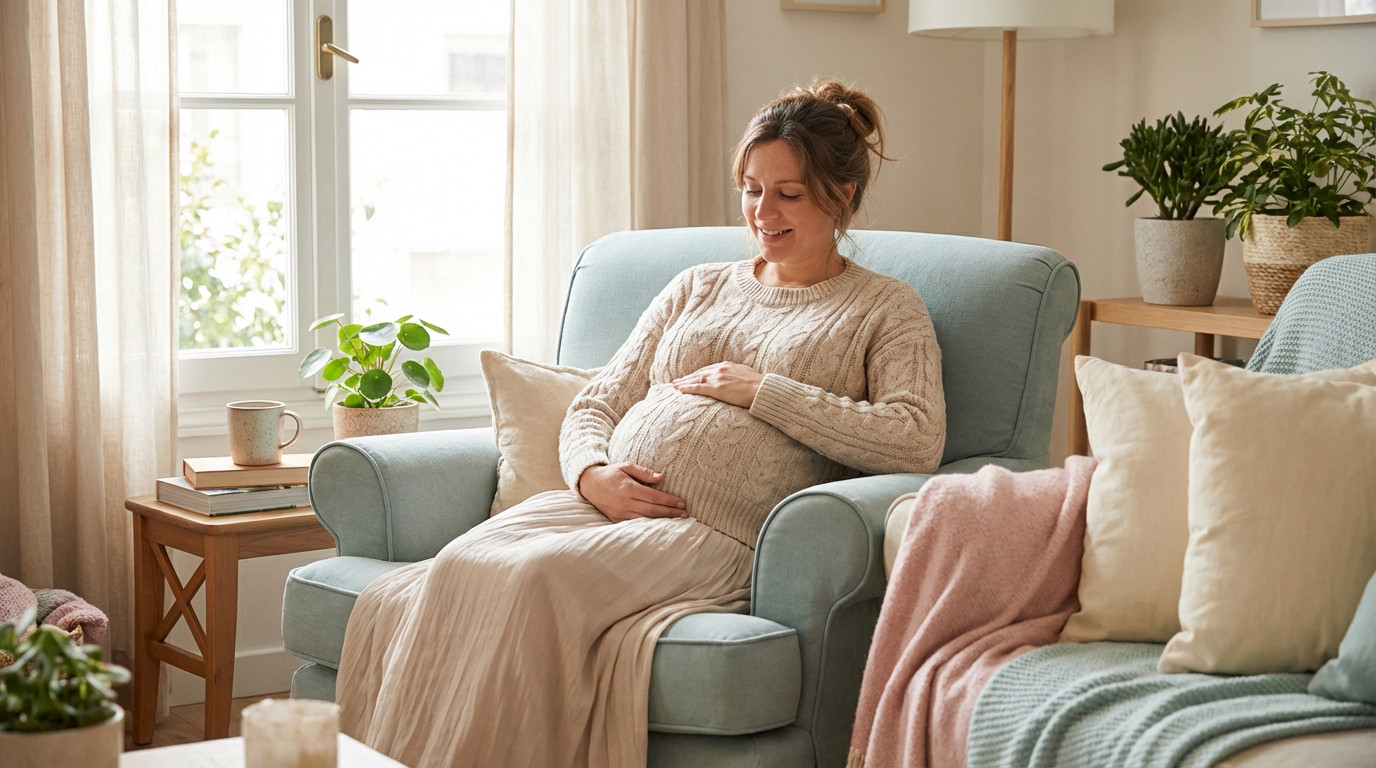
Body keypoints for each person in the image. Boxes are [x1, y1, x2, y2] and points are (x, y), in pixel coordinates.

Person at [336, 79, 947, 768]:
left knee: (529, 582)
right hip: (599, 509)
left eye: (788, 193)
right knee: (455, 565)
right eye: (751, 188)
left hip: (708, 532)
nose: (761, 211)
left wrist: (762, 390)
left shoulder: (885, 309)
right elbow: (597, 400)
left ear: (843, 196)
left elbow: (915, 437)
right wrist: (593, 475)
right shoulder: (698, 285)